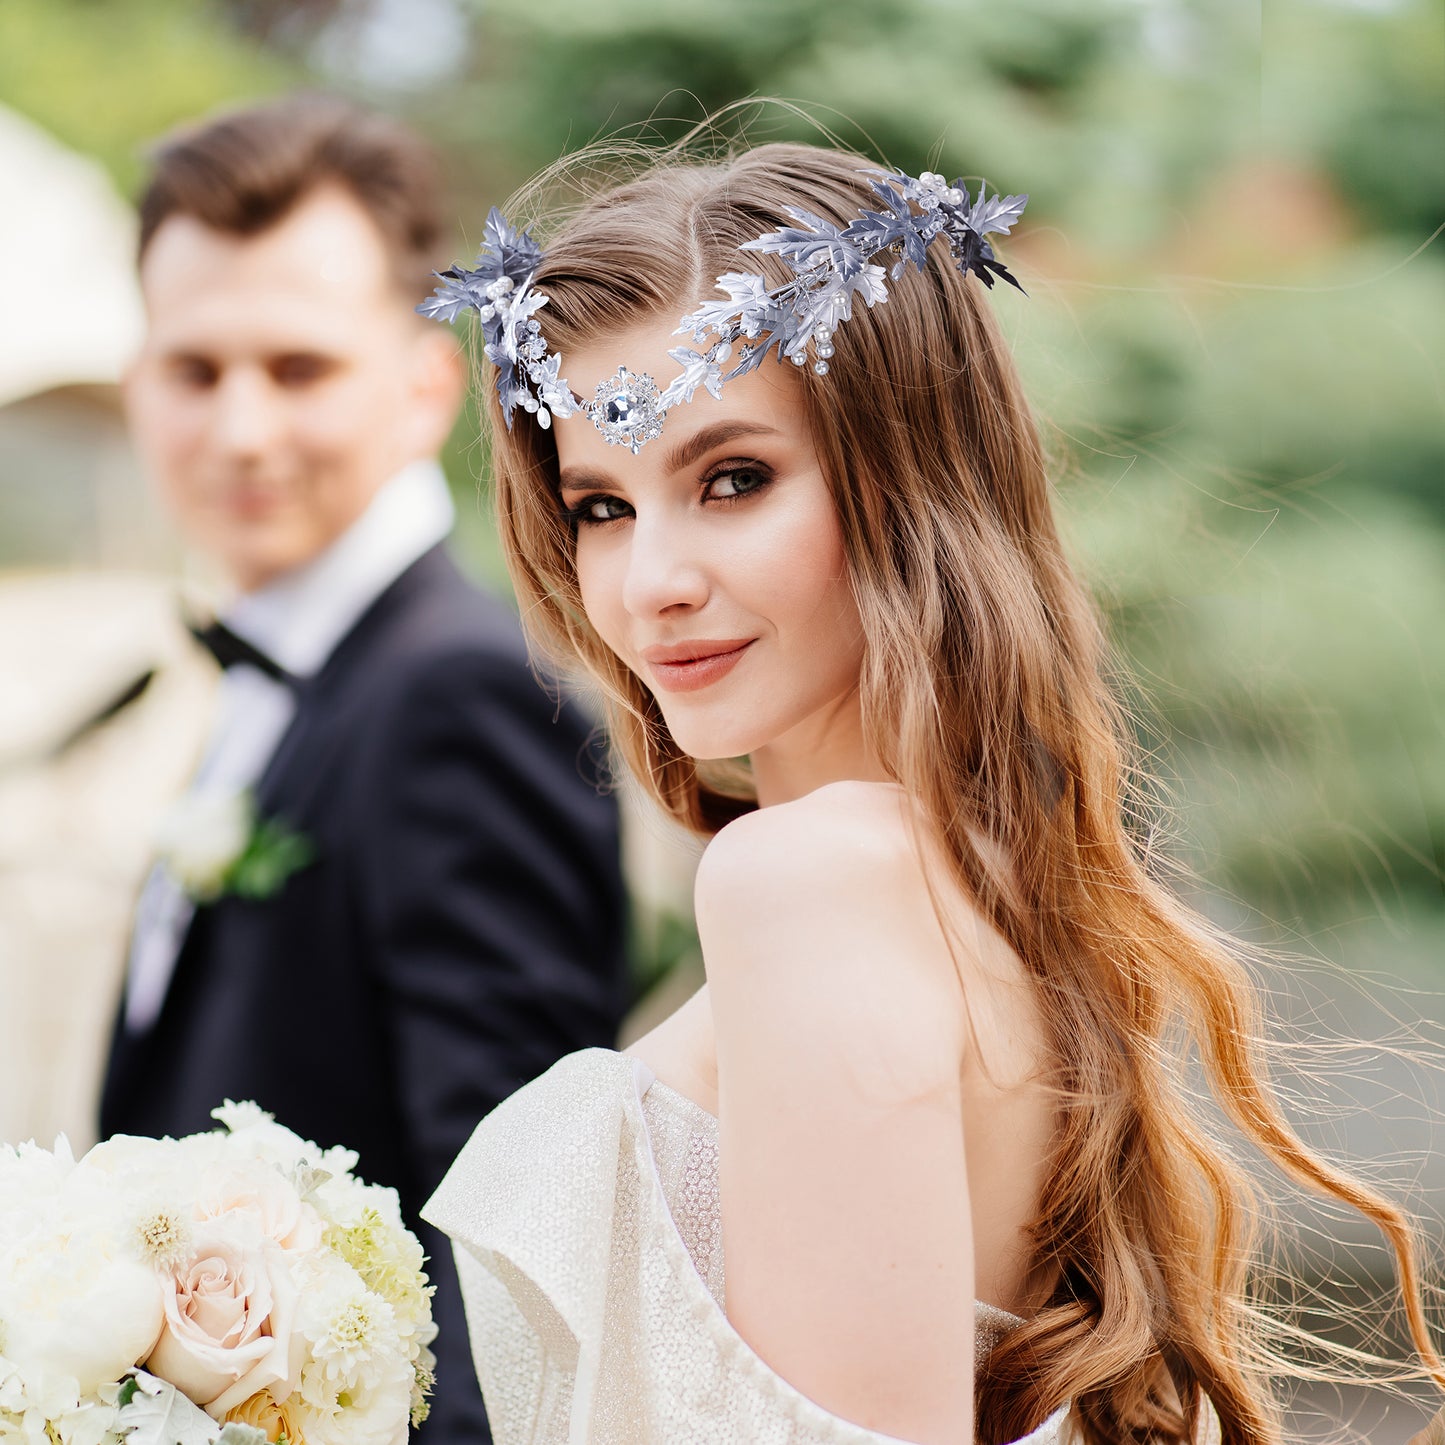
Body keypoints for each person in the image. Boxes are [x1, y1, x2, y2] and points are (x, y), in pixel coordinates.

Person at [417, 138, 1445, 1444]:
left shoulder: (805, 882)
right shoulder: (967, 877)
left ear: (903, 488)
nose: (649, 579)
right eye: (601, 506)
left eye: (731, 479)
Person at [97, 96, 630, 1445]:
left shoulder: (458, 695)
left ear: (421, 388)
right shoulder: (264, 673)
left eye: (298, 367)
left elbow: (513, 1248)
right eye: (194, 369)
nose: (240, 429)